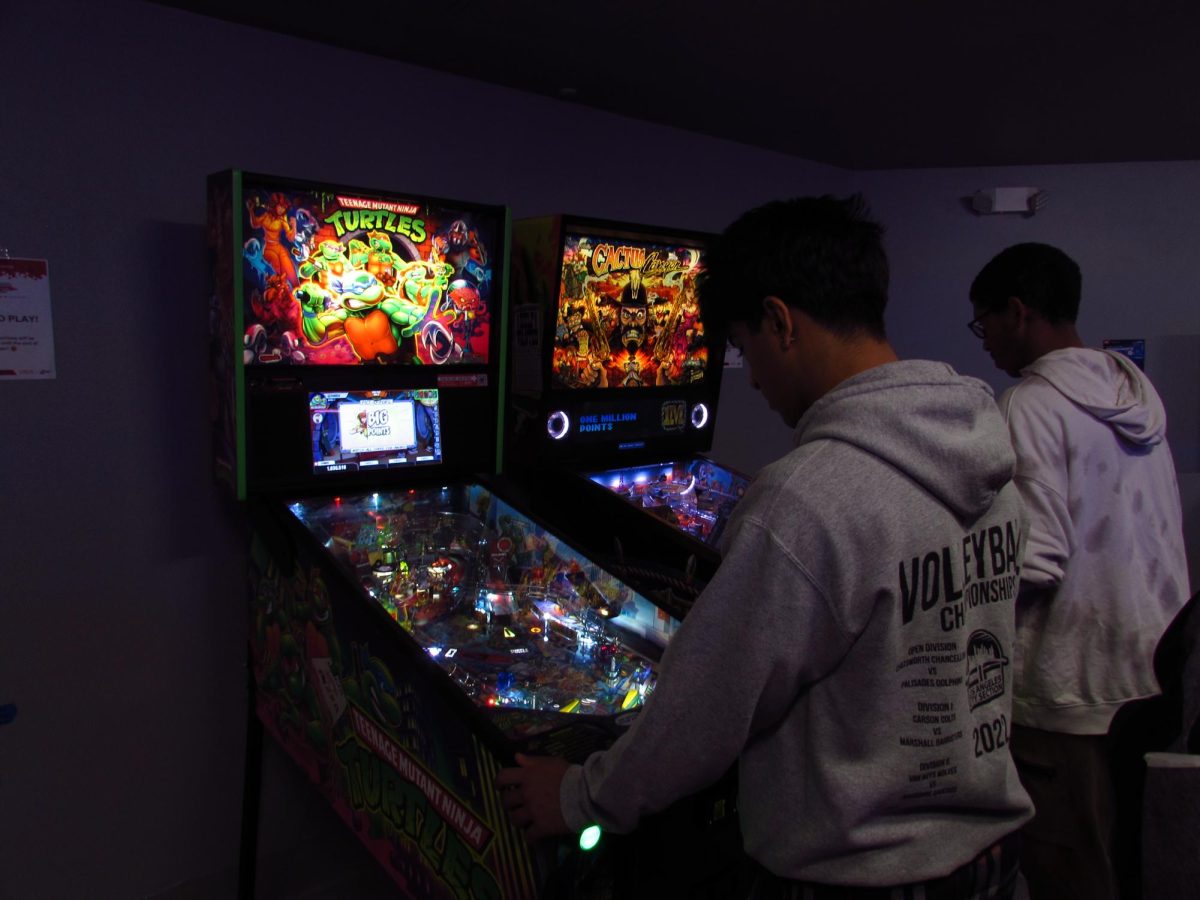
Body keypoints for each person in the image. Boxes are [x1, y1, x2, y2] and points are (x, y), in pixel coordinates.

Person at [498, 195, 1033, 899]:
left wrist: (578, 797)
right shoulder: (990, 459)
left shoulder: (807, 499)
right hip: (990, 858)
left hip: (864, 875)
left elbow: (705, 712)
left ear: (781, 322)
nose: (750, 378)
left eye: (746, 349)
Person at [967, 242, 1191, 900]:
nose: (984, 343)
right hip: (1153, 672)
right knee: (1126, 861)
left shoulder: (1028, 406)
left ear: (1018, 312)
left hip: (1070, 688)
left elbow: (1033, 558)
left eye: (984, 325)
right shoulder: (1130, 389)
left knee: (1069, 872)